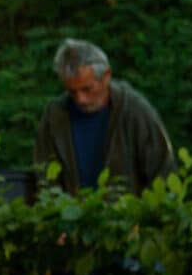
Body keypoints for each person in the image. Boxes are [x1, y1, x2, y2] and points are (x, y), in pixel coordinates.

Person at [33, 38, 176, 195]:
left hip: (127, 215)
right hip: (71, 215)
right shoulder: (55, 116)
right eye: (72, 91)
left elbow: (163, 172)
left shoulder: (134, 111)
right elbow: (44, 175)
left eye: (87, 89)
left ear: (106, 76)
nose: (81, 99)